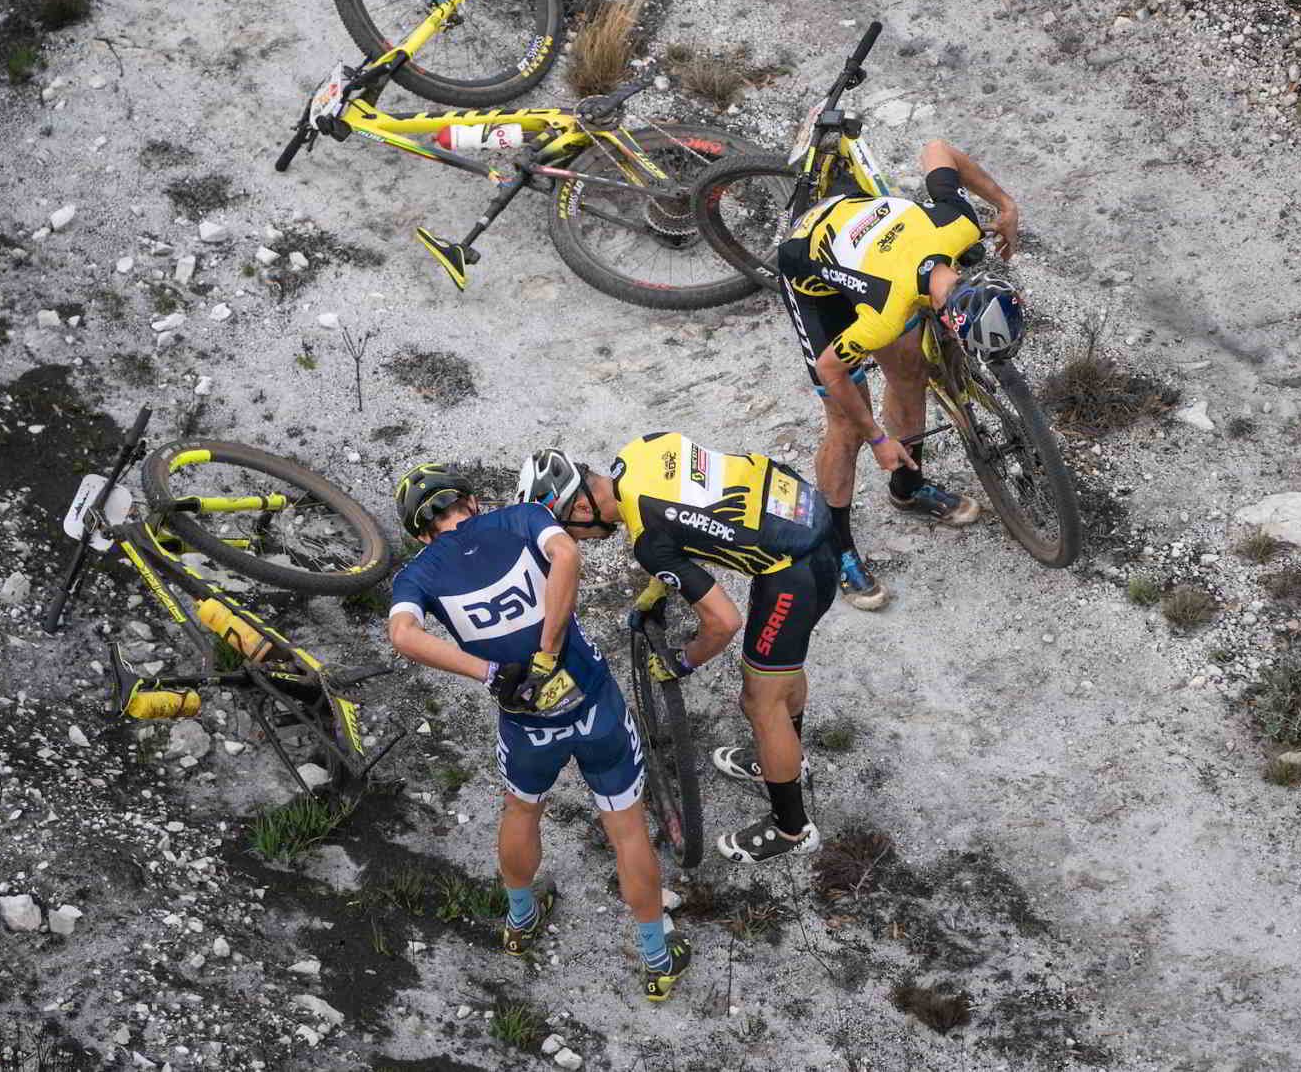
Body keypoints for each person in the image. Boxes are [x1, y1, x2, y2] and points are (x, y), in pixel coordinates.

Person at [383, 462, 691, 1001]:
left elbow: (404, 635)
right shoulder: (521, 517)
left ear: (419, 532)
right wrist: (548, 650)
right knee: (626, 829)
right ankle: (657, 960)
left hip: (526, 721)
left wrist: (491, 674)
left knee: (522, 811)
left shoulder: (417, 575)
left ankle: (520, 923)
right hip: (594, 703)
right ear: (471, 502)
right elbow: (568, 554)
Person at [517, 437, 839, 865]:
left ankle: (791, 827)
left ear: (578, 509)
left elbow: (723, 623)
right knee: (781, 674)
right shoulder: (640, 451)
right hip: (808, 518)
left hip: (792, 574)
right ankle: (785, 758)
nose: (580, 540)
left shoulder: (647, 539)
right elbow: (691, 518)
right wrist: (658, 585)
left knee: (761, 701)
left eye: (567, 530)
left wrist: (683, 661)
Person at [776, 137, 1024, 611]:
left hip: (875, 246)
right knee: (846, 423)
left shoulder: (960, 225)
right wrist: (878, 439)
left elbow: (938, 148)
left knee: (911, 371)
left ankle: (908, 489)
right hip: (811, 269)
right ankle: (837, 546)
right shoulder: (885, 313)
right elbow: (832, 371)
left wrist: (1005, 205)